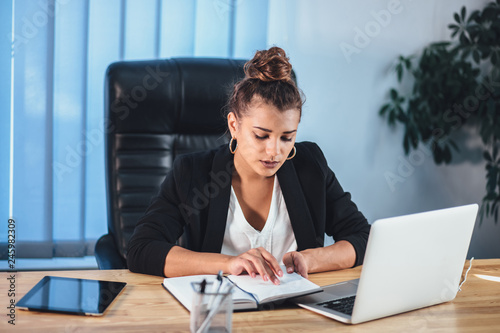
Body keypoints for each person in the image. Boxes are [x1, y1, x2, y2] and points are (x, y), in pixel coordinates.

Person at [127, 47, 370, 285]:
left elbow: (362, 236)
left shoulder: (310, 165)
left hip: (297, 314)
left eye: (287, 137)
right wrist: (229, 264)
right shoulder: (192, 172)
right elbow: (142, 250)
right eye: (261, 136)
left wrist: (311, 259)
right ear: (234, 125)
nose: (274, 152)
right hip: (222, 313)